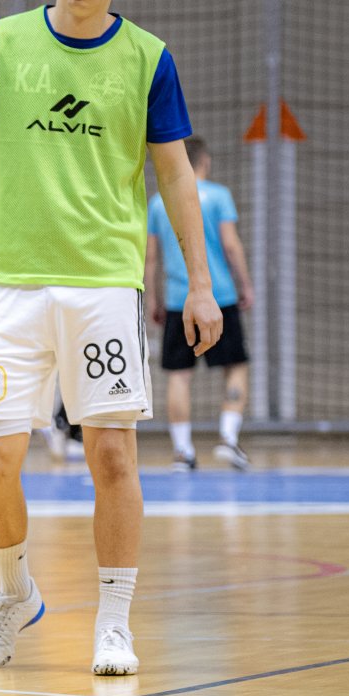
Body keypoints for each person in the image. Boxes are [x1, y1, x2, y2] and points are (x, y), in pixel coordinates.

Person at [0, 0, 222, 677]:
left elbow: (175, 174)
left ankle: (113, 621)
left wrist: (201, 283)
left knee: (111, 455)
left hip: (104, 284)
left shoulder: (149, 58)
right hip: (9, 282)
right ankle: (15, 592)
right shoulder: (3, 42)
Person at [147, 135, 254, 470]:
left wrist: (154, 298)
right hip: (217, 296)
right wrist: (245, 285)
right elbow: (231, 245)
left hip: (179, 300)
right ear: (204, 161)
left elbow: (151, 258)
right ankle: (228, 438)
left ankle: (182, 451)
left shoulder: (158, 202)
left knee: (179, 375)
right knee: (234, 366)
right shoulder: (219, 196)